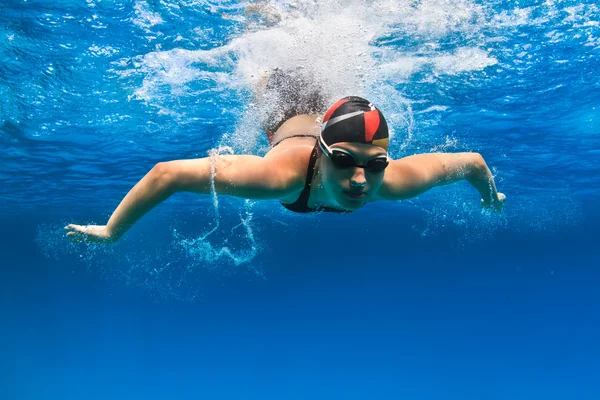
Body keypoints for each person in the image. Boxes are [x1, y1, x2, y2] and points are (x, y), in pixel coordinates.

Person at [65, 74, 505, 243]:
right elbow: (168, 174)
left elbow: (472, 162)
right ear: (321, 152)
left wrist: (490, 196)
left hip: (319, 111)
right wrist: (110, 231)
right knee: (273, 70)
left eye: (374, 164)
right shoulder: (280, 177)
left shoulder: (394, 180)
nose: (360, 179)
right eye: (345, 159)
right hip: (282, 109)